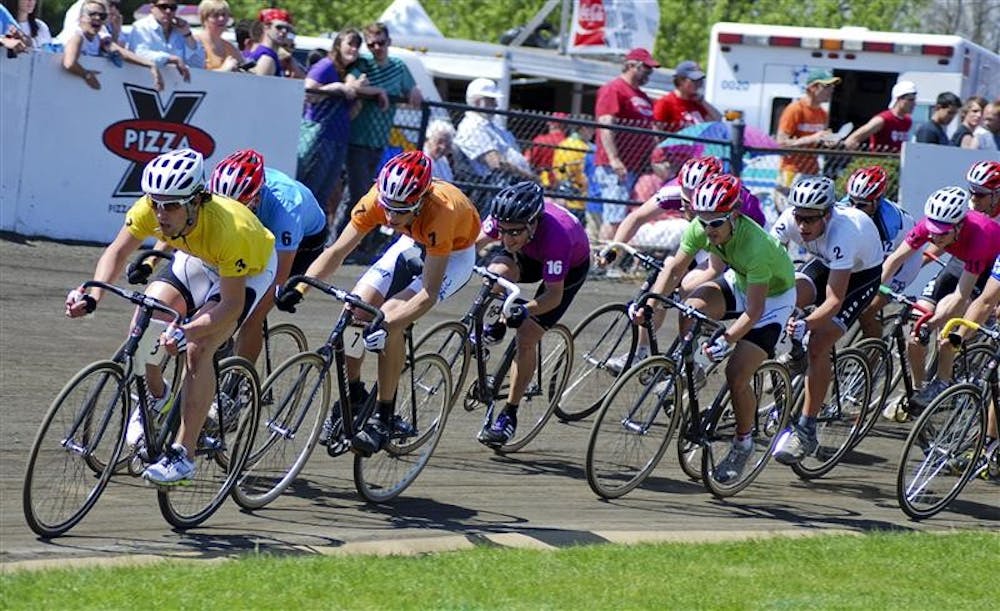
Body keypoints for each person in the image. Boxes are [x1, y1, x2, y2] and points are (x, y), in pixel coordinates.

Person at [65, 148, 276, 485]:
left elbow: (231, 306)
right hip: (197, 258)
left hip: (247, 270)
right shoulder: (151, 209)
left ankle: (184, 455)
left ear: (196, 201)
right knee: (145, 319)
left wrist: (189, 331)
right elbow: (117, 252)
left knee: (198, 349)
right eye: (156, 203)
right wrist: (91, 296)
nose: (162, 214)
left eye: (173, 205)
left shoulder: (229, 228)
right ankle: (157, 395)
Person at [275, 151, 480, 457]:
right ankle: (356, 394)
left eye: (401, 210)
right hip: (413, 241)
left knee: (387, 319)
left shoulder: (442, 212)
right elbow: (337, 252)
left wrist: (388, 325)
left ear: (421, 201)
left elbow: (428, 294)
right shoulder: (377, 199)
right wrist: (300, 287)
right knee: (355, 309)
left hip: (453, 254)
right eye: (388, 208)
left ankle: (385, 415)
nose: (390, 218)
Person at [631, 174, 796, 482]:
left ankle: (743, 442)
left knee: (736, 374)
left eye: (716, 223)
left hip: (772, 299)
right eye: (702, 221)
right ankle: (695, 368)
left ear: (734, 215)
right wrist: (650, 306)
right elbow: (676, 268)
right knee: (691, 308)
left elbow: (754, 311)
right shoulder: (702, 225)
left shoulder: (756, 247)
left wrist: (728, 339)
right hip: (741, 279)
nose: (708, 230)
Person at [769, 176, 883, 465]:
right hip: (824, 261)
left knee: (818, 343)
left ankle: (807, 427)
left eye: (811, 220)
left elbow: (834, 301)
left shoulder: (845, 233)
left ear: (828, 214)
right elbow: (767, 262)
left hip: (861, 275)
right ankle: (796, 355)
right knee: (785, 298)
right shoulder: (790, 220)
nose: (803, 226)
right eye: (799, 218)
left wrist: (806, 325)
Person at [474, 182, 590, 446]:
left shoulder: (557, 238)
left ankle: (509, 415)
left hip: (568, 268)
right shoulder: (507, 221)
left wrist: (524, 309)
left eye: (514, 232)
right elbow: (471, 245)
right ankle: (498, 323)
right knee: (495, 275)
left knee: (526, 336)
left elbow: (553, 296)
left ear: (533, 223)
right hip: (529, 254)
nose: (506, 239)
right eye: (502, 232)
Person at [890, 176, 1000, 414]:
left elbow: (961, 296)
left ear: (959, 226)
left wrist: (932, 325)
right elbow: (895, 259)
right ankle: (920, 389)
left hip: (984, 269)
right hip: (958, 262)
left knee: (948, 336)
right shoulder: (930, 225)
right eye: (932, 230)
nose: (935, 237)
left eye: (942, 233)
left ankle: (942, 382)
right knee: (915, 332)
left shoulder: (981, 237)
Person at [209, 149, 327, 365]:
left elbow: (279, 277)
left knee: (253, 315)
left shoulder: (286, 206)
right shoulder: (216, 190)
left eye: (239, 206)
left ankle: (239, 384)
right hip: (255, 231)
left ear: (256, 196)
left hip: (302, 244)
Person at [344, 22, 423, 234]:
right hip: (356, 139)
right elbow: (352, 84)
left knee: (379, 194)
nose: (377, 48)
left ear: (388, 42)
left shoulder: (398, 66)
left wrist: (415, 90)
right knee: (358, 193)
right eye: (371, 45)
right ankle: (347, 237)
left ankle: (364, 240)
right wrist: (377, 91)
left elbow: (413, 89)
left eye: (380, 43)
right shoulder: (362, 63)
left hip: (380, 141)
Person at [296, 27, 368, 224]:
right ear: (338, 44)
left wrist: (357, 94)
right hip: (320, 136)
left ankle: (310, 238)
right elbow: (308, 91)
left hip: (339, 137)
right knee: (310, 188)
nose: (353, 49)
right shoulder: (326, 65)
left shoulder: (347, 73)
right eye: (349, 44)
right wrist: (335, 88)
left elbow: (350, 112)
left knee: (324, 192)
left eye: (357, 45)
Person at [842, 165, 918, 340]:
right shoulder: (845, 205)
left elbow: (881, 265)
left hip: (902, 261)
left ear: (877, 202)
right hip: (880, 256)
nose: (853, 208)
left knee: (866, 310)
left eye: (861, 205)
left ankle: (874, 357)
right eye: (851, 201)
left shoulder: (889, 224)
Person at [594, 47, 659, 239]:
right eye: (645, 68)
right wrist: (614, 159)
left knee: (627, 217)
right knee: (614, 217)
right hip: (616, 166)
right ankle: (603, 263)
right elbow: (605, 124)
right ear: (631, 65)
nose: (649, 73)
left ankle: (613, 260)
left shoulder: (643, 97)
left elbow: (652, 131)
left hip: (637, 166)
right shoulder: (614, 89)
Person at [62, 0, 184, 91]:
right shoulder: (77, 37)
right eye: (92, 15)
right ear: (81, 17)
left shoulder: (99, 38)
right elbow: (69, 63)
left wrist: (150, 64)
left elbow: (119, 51)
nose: (97, 18)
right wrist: (87, 75)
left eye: (102, 16)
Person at [454, 77, 536, 185]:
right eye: (491, 100)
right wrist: (528, 177)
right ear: (478, 102)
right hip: (494, 187)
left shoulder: (492, 126)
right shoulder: (471, 127)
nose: (496, 105)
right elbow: (495, 162)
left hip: (514, 184)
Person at [775, 68, 840, 190]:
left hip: (812, 172)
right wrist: (812, 138)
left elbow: (821, 140)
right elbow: (781, 142)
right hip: (791, 171)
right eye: (827, 86)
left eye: (832, 86)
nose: (831, 90)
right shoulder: (795, 109)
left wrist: (830, 141)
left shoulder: (823, 113)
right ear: (813, 87)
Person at [126, 0, 204, 70]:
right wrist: (169, 59)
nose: (168, 11)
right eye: (163, 6)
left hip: (177, 84)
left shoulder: (181, 30)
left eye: (172, 7)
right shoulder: (140, 27)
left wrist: (187, 34)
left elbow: (198, 65)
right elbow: (139, 54)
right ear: (152, 7)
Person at [844, 81, 916, 152]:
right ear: (898, 99)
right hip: (880, 162)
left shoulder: (908, 121)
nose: (914, 103)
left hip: (898, 162)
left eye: (914, 100)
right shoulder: (882, 119)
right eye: (910, 100)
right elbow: (853, 139)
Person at [652, 60, 721, 132]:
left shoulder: (696, 103)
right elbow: (656, 132)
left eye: (699, 80)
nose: (698, 84)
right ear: (681, 81)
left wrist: (703, 101)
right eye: (694, 80)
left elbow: (718, 120)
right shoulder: (665, 103)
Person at [195, 0, 241, 71]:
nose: (221, 18)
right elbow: (195, 75)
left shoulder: (230, 47)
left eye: (224, 14)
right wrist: (224, 69)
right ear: (204, 19)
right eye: (215, 15)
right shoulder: (195, 43)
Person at [244, 7, 290, 77]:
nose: (284, 31)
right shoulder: (267, 58)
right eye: (279, 27)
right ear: (266, 26)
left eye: (287, 28)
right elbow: (260, 87)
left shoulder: (263, 52)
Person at [525, 112, 568, 186]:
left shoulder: (540, 140)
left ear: (549, 123)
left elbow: (527, 160)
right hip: (560, 182)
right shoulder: (567, 143)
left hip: (539, 180)